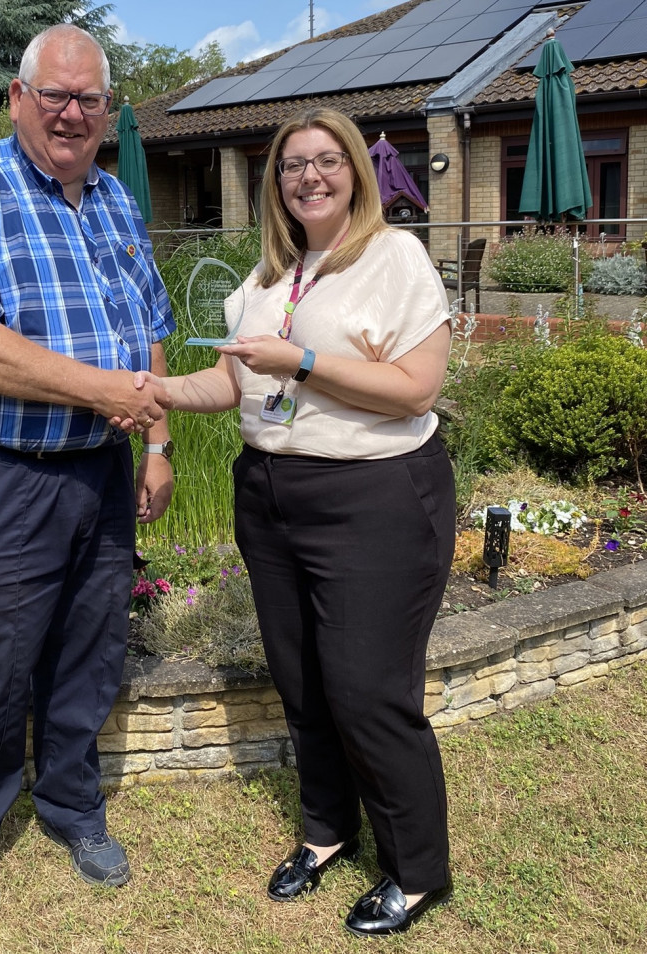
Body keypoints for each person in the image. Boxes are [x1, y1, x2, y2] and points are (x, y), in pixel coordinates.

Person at [144, 107, 455, 937]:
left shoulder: (396, 259)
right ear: (273, 183)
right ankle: (326, 831)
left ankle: (418, 870)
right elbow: (231, 385)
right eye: (291, 165)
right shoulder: (265, 279)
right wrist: (154, 395)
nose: (309, 177)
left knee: (368, 690)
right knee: (305, 680)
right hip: (272, 496)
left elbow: (417, 389)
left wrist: (305, 362)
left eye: (325, 161)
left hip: (376, 497)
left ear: (354, 169)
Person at [0, 23, 176, 924]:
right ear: (18, 98)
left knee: (90, 650)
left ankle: (71, 806)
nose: (70, 113)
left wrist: (158, 444)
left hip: (99, 472)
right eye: (53, 95)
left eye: (88, 100)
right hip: (0, 473)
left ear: (109, 110)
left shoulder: (113, 200)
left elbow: (150, 331)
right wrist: (101, 390)